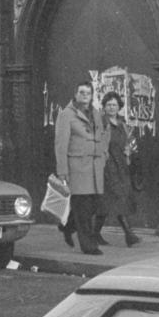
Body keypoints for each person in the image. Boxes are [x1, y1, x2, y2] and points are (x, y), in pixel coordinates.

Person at [54, 83, 107, 256]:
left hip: (95, 169)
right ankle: (89, 246)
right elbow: (61, 145)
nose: (85, 96)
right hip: (77, 169)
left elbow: (102, 136)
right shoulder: (66, 115)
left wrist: (103, 155)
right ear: (75, 95)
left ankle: (67, 227)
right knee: (83, 211)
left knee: (93, 207)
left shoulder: (96, 114)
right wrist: (62, 171)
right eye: (82, 92)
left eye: (88, 93)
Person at [100, 90, 140, 248]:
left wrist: (130, 149)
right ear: (104, 107)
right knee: (118, 198)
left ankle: (95, 233)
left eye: (114, 105)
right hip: (108, 166)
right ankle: (129, 234)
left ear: (119, 107)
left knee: (108, 202)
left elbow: (130, 143)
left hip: (122, 165)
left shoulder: (123, 125)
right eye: (108, 105)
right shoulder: (102, 124)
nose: (111, 108)